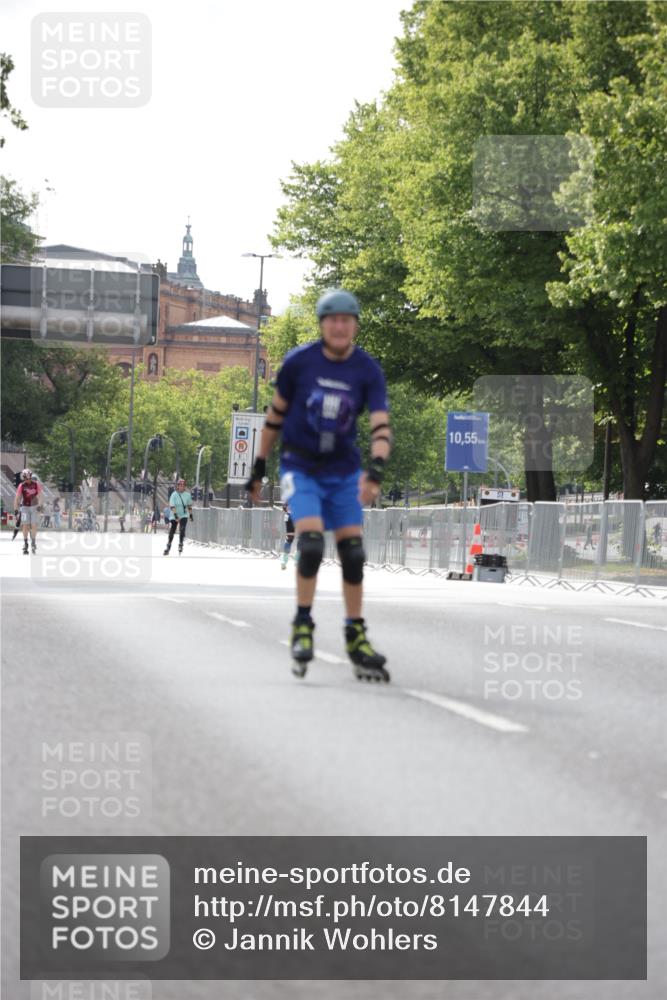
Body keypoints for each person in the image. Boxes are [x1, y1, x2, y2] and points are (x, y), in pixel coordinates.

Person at [246, 288, 392, 682]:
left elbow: (380, 425)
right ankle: (303, 623)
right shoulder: (299, 363)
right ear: (323, 325)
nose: (340, 326)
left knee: (353, 553)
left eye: (348, 320)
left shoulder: (367, 370)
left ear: (356, 326)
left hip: (344, 471)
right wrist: (258, 468)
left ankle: (355, 634)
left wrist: (376, 471)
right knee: (309, 545)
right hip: (301, 467)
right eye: (333, 320)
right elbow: (274, 417)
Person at [14, 468, 42, 554]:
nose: (28, 480)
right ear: (23, 478)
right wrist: (16, 509)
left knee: (34, 525)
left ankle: (33, 542)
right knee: (25, 526)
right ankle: (25, 543)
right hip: (25, 507)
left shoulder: (36, 484)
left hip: (34, 507)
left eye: (29, 478)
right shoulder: (21, 486)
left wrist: (39, 505)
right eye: (26, 479)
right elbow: (17, 498)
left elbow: (40, 496)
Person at [164, 478, 193, 555]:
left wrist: (190, 514)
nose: (182, 487)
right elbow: (172, 506)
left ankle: (180, 543)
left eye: (183, 485)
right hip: (174, 514)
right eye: (180, 485)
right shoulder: (174, 494)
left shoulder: (187, 495)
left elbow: (189, 505)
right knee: (172, 530)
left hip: (183, 514)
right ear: (177, 486)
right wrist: (176, 516)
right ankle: (168, 545)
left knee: (182, 529)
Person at [280, 501, 295, 569]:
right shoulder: (288, 515)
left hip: (293, 533)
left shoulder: (289, 514)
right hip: (291, 534)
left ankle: (297, 561)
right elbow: (289, 524)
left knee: (299, 547)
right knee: (287, 547)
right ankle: (283, 562)